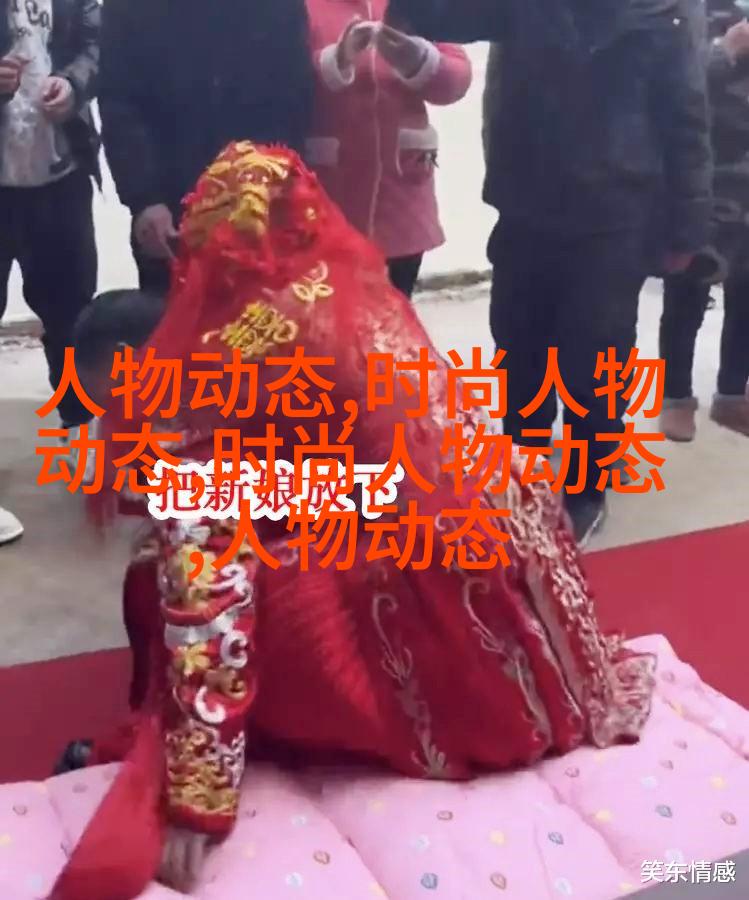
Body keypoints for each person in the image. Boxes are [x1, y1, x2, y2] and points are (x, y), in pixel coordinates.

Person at [52, 142, 656, 900]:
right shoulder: (349, 288)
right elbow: (368, 474)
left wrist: (197, 798)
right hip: (519, 559)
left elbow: (211, 600)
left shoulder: (213, 371)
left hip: (449, 619)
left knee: (167, 576)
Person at [387, 0, 713, 545]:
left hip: (615, 210)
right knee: (520, 348)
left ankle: (587, 487)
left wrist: (687, 230)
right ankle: (526, 470)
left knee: (595, 358)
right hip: (527, 201)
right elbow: (450, 14)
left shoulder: (661, 10)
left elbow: (686, 119)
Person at [98, 0, 316, 298]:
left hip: (259, 201)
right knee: (171, 316)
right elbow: (119, 104)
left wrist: (274, 185)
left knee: (260, 318)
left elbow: (294, 95)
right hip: (169, 210)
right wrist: (144, 199)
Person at [305, 2, 471, 298]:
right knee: (329, 317)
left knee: (395, 314)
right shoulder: (304, 6)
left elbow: (456, 81)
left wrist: (418, 60)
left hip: (401, 200)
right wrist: (336, 61)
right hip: (328, 201)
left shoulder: (416, 6)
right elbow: (284, 81)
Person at [0, 0, 100, 430]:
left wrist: (74, 84)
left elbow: (98, 43)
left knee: (71, 319)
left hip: (62, 177)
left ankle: (78, 432)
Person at [660, 0, 749, 442]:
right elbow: (671, 89)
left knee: (747, 297)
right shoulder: (685, 13)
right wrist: (726, 50)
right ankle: (676, 397)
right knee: (687, 295)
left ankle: (732, 395)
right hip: (704, 180)